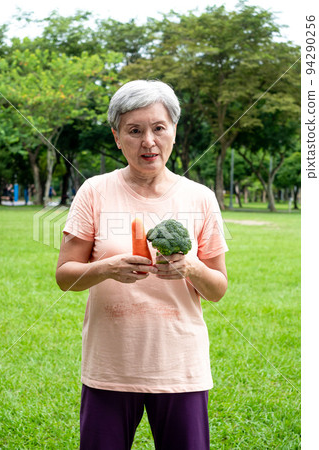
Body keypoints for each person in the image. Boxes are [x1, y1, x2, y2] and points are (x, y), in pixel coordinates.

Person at [55, 80, 228, 450]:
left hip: (181, 368)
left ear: (174, 131)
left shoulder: (200, 198)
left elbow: (218, 289)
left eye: (158, 128)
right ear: (117, 137)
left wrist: (192, 267)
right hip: (110, 369)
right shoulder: (95, 191)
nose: (148, 141)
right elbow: (65, 277)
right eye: (134, 131)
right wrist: (106, 267)